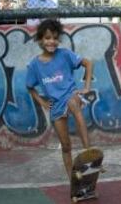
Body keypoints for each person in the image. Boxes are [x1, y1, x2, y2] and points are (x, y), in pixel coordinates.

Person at [26, 18, 93, 183]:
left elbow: (88, 63)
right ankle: (73, 179)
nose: (52, 42)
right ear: (41, 40)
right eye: (48, 38)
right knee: (66, 145)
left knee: (73, 104)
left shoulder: (64, 55)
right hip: (55, 105)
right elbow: (29, 87)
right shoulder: (35, 65)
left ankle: (88, 151)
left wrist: (86, 86)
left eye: (55, 38)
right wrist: (42, 102)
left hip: (70, 95)